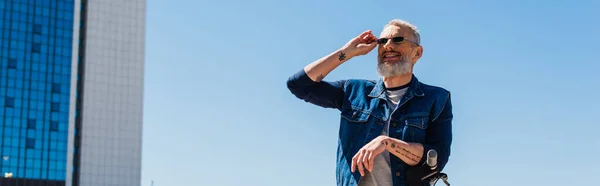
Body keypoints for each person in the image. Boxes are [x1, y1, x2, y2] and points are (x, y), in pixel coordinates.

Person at [286, 19, 453, 186]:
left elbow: (437, 158)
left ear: (417, 53)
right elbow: (299, 85)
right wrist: (347, 52)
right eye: (382, 41)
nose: (388, 46)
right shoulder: (353, 91)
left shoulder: (437, 98)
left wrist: (387, 143)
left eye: (397, 39)